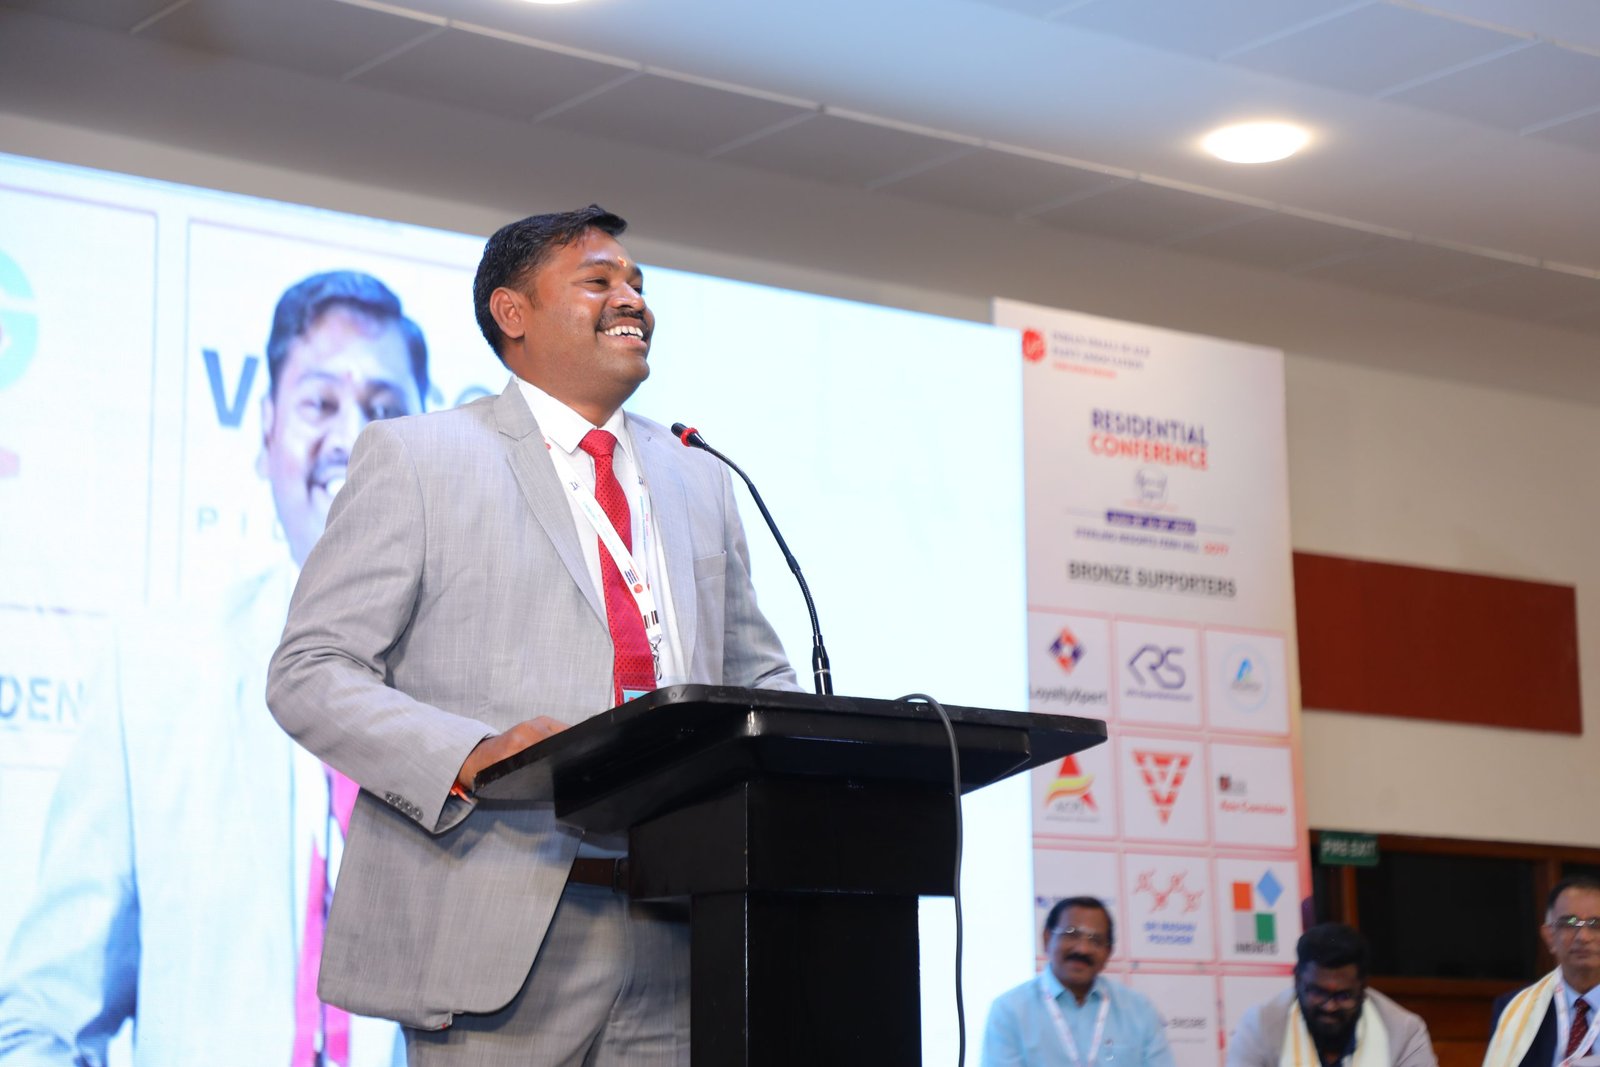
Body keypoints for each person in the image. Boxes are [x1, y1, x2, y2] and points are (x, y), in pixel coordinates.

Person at [265, 205, 798, 1067]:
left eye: (637, 283)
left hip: (679, 925)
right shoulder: (419, 457)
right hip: (494, 928)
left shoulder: (700, 476)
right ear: (512, 312)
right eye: (599, 280)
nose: (632, 299)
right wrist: (472, 754)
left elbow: (756, 674)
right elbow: (310, 670)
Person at [0, 271, 427, 1066]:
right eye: (320, 402)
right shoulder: (155, 674)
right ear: (265, 431)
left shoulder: (491, 692)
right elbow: (44, 1021)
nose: (354, 438)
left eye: (385, 409)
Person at [981, 896, 1175, 1067]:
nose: (1083, 949)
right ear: (1047, 939)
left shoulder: (1138, 1010)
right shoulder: (1010, 1011)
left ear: (1109, 951)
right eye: (1071, 934)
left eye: (1096, 940)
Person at [1226, 923, 1436, 1067]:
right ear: (1297, 980)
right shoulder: (1260, 1026)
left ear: (1363, 987)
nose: (1330, 1007)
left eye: (1343, 996)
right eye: (1318, 993)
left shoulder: (1404, 1031)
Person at [1485, 876, 1600, 1067]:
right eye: (1569, 923)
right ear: (1549, 937)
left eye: (1596, 924)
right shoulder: (1516, 1009)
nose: (1583, 937)